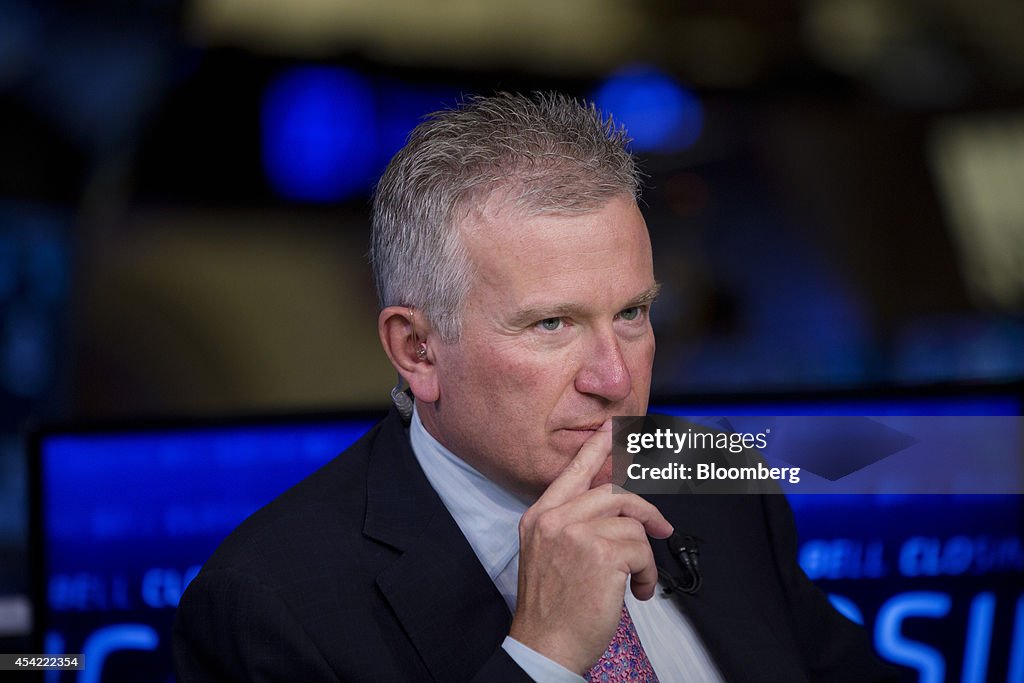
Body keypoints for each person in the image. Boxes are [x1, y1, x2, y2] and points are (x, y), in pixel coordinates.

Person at [174, 92, 902, 682]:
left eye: (633, 312)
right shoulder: (269, 604)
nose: (614, 378)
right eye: (553, 324)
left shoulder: (706, 470)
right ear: (417, 348)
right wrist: (542, 657)